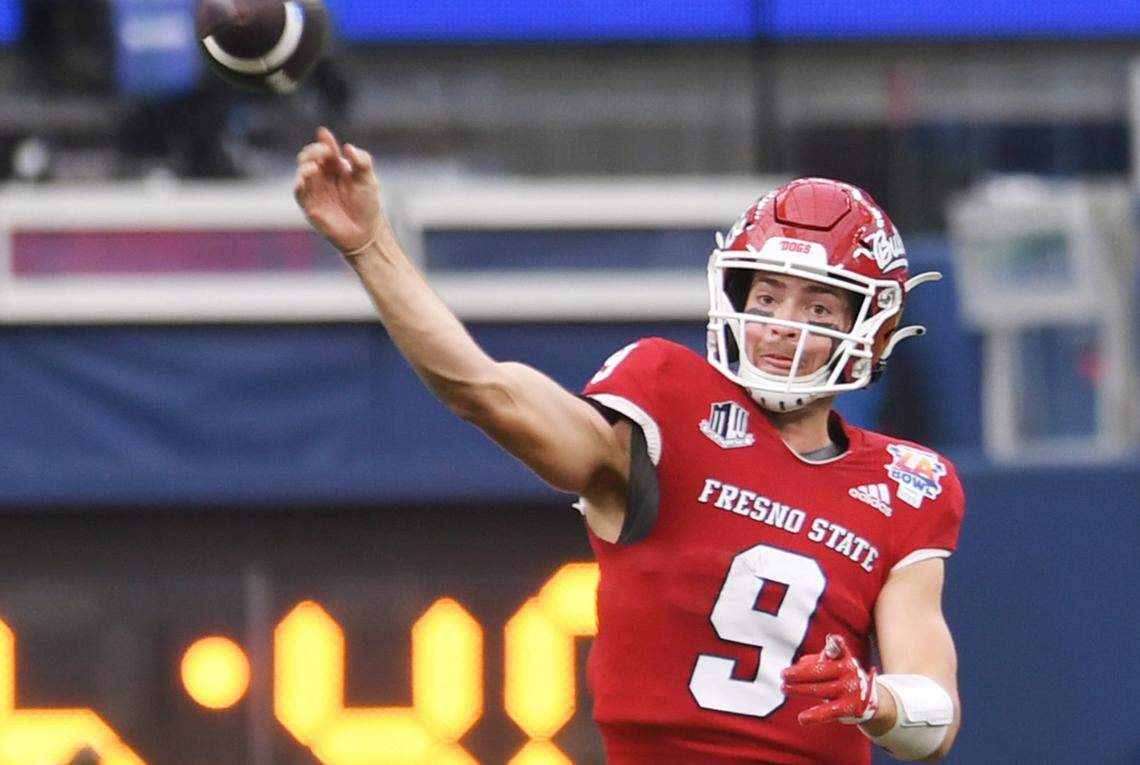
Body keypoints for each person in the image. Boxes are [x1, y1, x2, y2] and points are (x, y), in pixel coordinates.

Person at [294, 127, 964, 765]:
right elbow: (486, 391)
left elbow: (935, 717)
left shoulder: (906, 483)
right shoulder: (666, 400)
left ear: (872, 330)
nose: (781, 326)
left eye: (818, 309)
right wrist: (371, 245)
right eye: (767, 295)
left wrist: (875, 698)